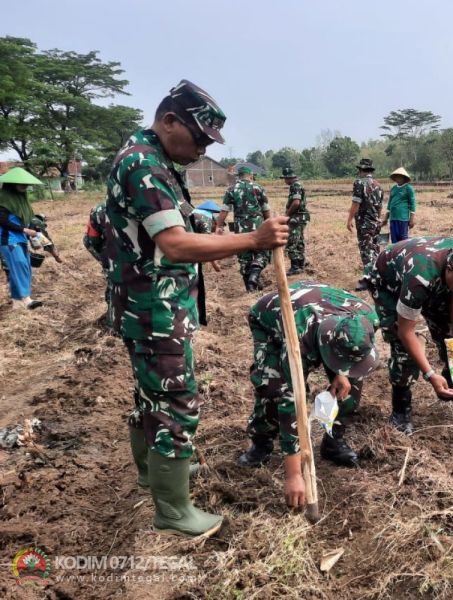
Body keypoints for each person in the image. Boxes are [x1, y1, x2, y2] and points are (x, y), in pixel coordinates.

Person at [105, 79, 289, 538]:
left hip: (147, 305)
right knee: (174, 402)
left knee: (151, 396)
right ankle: (173, 510)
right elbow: (175, 244)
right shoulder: (144, 165)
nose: (203, 149)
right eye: (200, 138)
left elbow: (168, 229)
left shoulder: (151, 159)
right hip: (155, 310)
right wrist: (253, 239)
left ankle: (155, 474)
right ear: (170, 121)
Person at [238, 282, 381, 495]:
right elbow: (290, 402)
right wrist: (294, 475)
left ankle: (333, 442)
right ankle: (261, 442)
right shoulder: (298, 341)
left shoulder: (368, 319)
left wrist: (341, 373)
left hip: (321, 310)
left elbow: (350, 352)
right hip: (271, 318)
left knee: (349, 388)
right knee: (273, 388)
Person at [365, 236, 453, 434]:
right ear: (449, 270)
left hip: (432, 275)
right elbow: (406, 332)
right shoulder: (419, 279)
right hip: (389, 283)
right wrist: (430, 374)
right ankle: (401, 408)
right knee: (403, 348)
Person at [0, 167, 60, 309]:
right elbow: (2, 220)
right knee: (20, 265)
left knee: (24, 266)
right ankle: (26, 299)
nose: (25, 186)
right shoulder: (3, 199)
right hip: (8, 239)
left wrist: (50, 249)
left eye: (26, 184)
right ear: (12, 184)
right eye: (21, 183)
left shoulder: (23, 200)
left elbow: (34, 225)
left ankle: (17, 302)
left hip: (21, 239)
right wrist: (24, 230)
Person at [217, 166, 272, 291]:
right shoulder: (258, 188)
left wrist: (219, 226)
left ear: (238, 176)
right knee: (263, 252)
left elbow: (224, 211)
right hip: (257, 225)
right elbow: (266, 210)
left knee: (244, 256)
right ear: (251, 175)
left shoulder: (231, 189)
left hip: (240, 226)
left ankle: (250, 287)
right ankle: (255, 273)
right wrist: (269, 225)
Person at [346, 158, 383, 290]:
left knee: (366, 250)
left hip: (364, 223)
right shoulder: (378, 185)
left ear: (361, 170)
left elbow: (356, 203)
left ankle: (368, 280)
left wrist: (349, 219)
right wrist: (377, 218)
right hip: (375, 222)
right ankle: (378, 276)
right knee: (375, 249)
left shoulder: (359, 183)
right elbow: (379, 206)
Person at [84, 201, 114, 330]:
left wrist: (104, 257)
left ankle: (112, 325)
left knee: (114, 289)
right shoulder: (157, 202)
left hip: (114, 259)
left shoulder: (100, 209)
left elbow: (92, 239)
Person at [282, 167, 309, 275]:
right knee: (299, 241)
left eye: (285, 178)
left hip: (296, 218)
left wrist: (287, 214)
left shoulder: (295, 186)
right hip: (300, 217)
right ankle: (301, 264)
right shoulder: (298, 184)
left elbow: (296, 202)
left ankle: (295, 267)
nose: (285, 181)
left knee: (291, 242)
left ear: (289, 178)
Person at [382, 167, 416, 243]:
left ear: (404, 178)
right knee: (394, 240)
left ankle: (403, 251)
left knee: (403, 240)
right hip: (393, 218)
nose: (398, 178)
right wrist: (385, 218)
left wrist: (411, 219)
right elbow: (389, 204)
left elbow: (412, 204)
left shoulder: (408, 188)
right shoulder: (393, 188)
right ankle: (396, 251)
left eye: (400, 176)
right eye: (397, 176)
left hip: (403, 218)